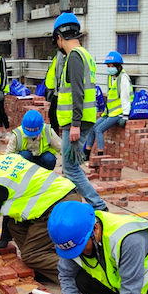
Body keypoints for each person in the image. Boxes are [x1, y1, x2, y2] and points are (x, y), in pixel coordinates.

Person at [0, 144, 80, 283]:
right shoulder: (1, 161)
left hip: (59, 207)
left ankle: (82, 277)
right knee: (15, 225)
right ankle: (44, 267)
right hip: (66, 195)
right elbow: (9, 206)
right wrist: (4, 240)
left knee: (31, 255)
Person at [52, 13, 107, 211]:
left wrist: (74, 123)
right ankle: (78, 205)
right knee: (71, 167)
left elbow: (77, 92)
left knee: (71, 169)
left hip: (76, 122)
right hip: (84, 119)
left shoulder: (74, 57)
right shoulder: (86, 55)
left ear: (59, 37)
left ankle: (98, 206)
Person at [85, 51, 133, 157]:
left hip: (118, 113)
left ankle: (101, 156)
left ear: (117, 66)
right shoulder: (111, 77)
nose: (109, 68)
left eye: (111, 65)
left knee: (98, 130)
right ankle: (86, 154)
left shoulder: (123, 78)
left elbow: (126, 98)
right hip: (109, 112)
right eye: (108, 65)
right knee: (92, 127)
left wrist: (125, 116)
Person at [45, 48, 65, 138]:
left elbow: (60, 72)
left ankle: (57, 137)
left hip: (61, 91)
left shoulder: (65, 54)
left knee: (54, 114)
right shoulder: (59, 54)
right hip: (55, 90)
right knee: (52, 114)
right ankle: (56, 136)